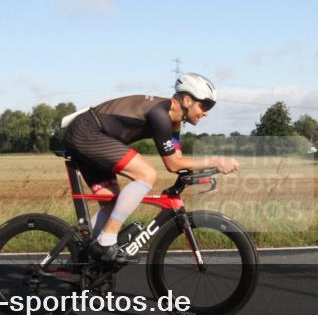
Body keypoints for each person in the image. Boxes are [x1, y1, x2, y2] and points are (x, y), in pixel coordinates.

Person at [62, 73, 239, 263]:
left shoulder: (175, 121)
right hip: (88, 133)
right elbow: (172, 164)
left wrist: (204, 170)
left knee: (112, 204)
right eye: (205, 105)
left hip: (96, 136)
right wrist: (215, 161)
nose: (206, 112)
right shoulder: (160, 115)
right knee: (146, 174)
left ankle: (85, 261)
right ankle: (105, 242)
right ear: (187, 100)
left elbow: (178, 158)